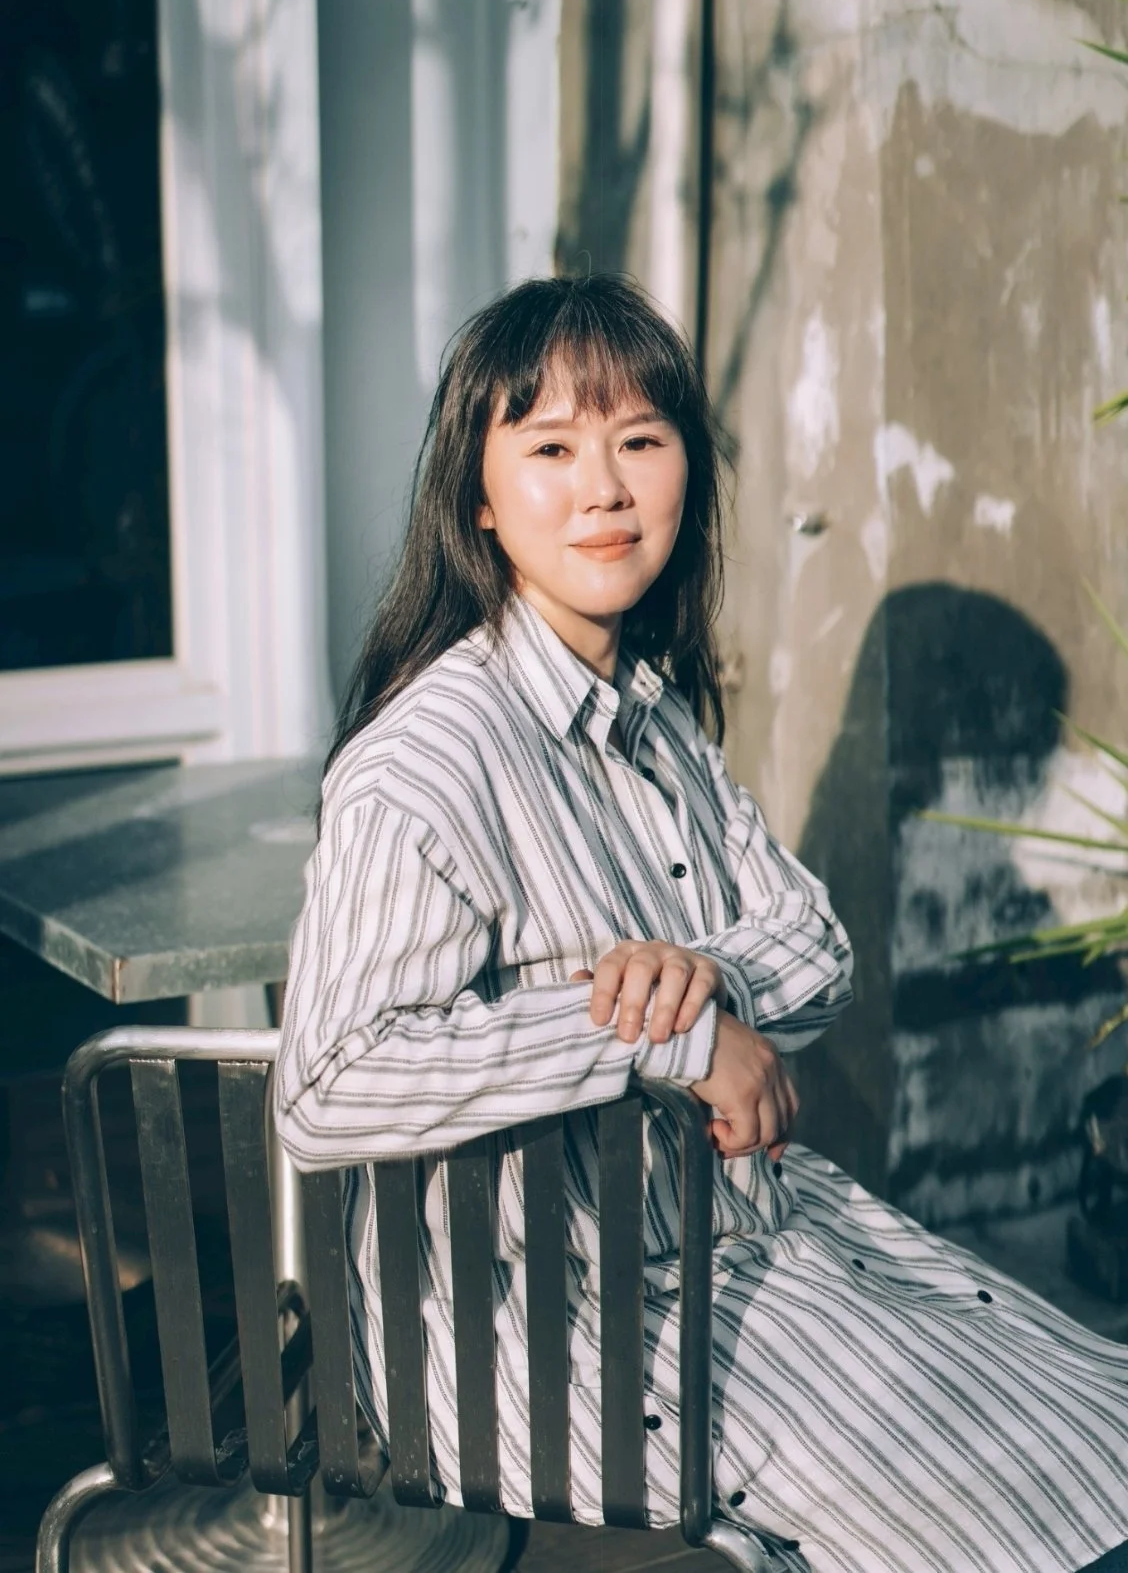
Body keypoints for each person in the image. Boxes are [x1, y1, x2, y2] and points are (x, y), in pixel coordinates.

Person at [275, 275, 1128, 1573]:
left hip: (736, 1238)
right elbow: (329, 1085)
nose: (604, 487)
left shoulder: (654, 715)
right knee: (1035, 1494)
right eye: (552, 448)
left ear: (688, 472)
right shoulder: (428, 762)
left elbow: (813, 942)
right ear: (481, 502)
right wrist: (652, 1038)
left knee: (1081, 1404)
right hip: (552, 1323)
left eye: (639, 439)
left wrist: (702, 976)